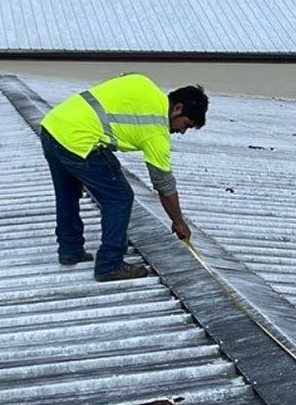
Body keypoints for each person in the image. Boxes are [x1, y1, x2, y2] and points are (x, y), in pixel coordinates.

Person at [39, 73, 208, 282]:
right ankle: (109, 265)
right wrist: (178, 222)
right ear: (178, 109)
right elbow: (164, 186)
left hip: (53, 127)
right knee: (120, 198)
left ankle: (70, 250)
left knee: (67, 193)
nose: (182, 132)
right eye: (186, 125)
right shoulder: (156, 132)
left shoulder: (142, 81)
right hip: (80, 139)